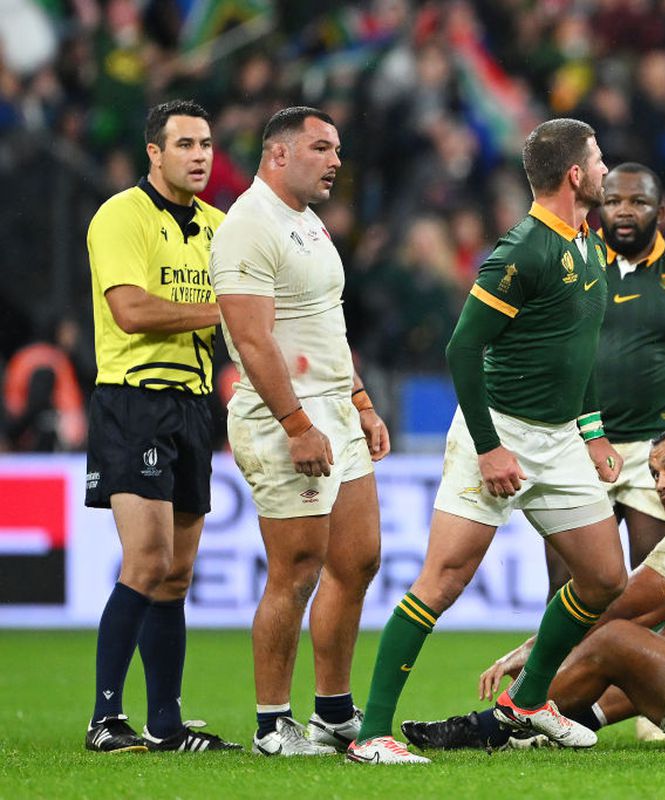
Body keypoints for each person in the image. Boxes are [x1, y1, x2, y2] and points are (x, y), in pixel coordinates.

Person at [345, 118, 628, 765]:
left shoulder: (585, 240)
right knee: (442, 581)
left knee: (605, 576)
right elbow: (462, 348)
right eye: (600, 159)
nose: (608, 169)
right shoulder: (521, 252)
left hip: (559, 440)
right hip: (495, 433)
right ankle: (373, 735)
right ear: (576, 175)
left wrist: (591, 430)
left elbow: (572, 350)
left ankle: (526, 703)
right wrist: (490, 445)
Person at [401, 424, 665, 752]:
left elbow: (613, 611)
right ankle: (577, 722)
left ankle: (492, 726)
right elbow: (646, 617)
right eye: (656, 473)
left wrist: (529, 651)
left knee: (618, 639)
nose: (660, 484)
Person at [210, 107, 390, 757]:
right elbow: (253, 343)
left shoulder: (309, 224)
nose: (336, 160)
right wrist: (297, 425)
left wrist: (362, 402)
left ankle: (334, 714)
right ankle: (271, 726)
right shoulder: (247, 227)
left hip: (335, 411)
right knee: (296, 571)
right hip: (282, 418)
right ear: (278, 154)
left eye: (338, 148)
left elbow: (327, 330)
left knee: (360, 556)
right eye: (321, 147)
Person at [83, 99, 239, 753]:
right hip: (134, 399)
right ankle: (105, 720)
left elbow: (246, 318)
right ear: (154, 152)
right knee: (146, 559)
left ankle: (168, 725)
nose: (199, 155)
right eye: (185, 144)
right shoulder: (121, 215)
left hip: (196, 406)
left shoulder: (220, 226)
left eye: (205, 143)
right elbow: (132, 311)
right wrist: (221, 308)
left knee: (176, 573)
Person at [542, 161, 665, 595]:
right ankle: (562, 667)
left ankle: (640, 664)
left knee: (650, 586)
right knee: (568, 586)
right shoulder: (566, 267)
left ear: (660, 213)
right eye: (614, 201)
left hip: (657, 448)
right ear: (597, 208)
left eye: (638, 202)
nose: (625, 211)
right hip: (577, 445)